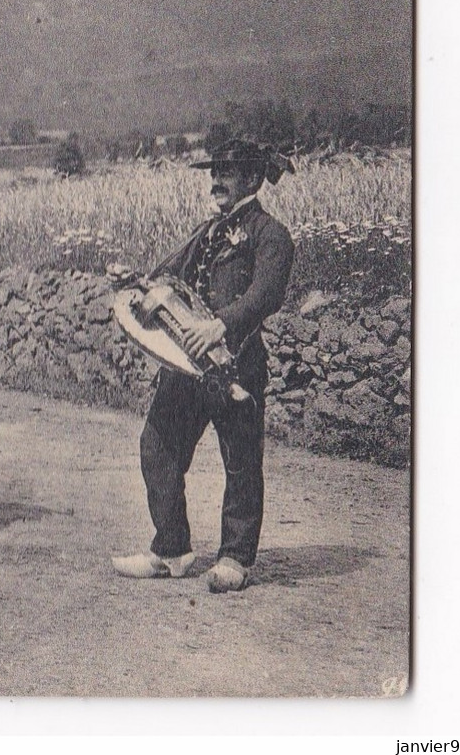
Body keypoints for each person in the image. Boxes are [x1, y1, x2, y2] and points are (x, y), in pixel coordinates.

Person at [109, 139, 295, 593]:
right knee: (158, 444)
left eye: (226, 174)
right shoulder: (206, 231)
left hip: (237, 365)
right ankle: (171, 550)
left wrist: (221, 326)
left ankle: (235, 558)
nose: (216, 182)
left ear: (252, 179)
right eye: (214, 174)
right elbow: (172, 276)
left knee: (240, 461)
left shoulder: (271, 235)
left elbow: (267, 294)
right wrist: (136, 281)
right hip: (185, 365)